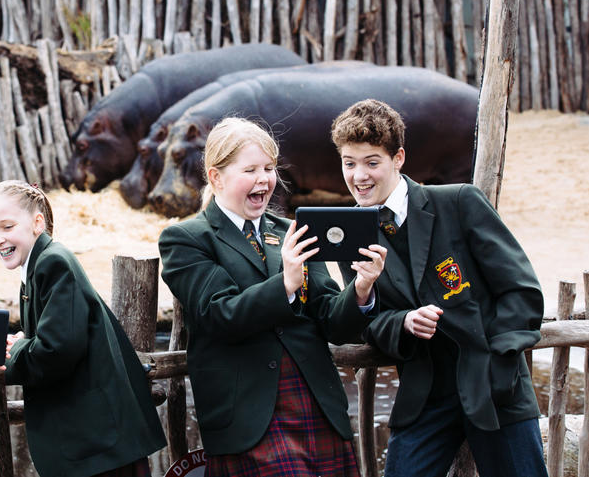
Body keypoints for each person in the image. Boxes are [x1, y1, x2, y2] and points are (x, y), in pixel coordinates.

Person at [158, 117, 387, 476]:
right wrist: (286, 283)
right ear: (216, 177)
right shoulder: (186, 239)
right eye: (250, 169)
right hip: (248, 418)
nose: (264, 179)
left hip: (315, 405)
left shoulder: (291, 231)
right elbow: (220, 315)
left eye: (269, 168)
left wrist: (360, 290)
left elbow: (331, 321)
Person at [332, 99, 547, 477]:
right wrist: (404, 322)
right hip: (424, 397)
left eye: (371, 162)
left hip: (495, 388)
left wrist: (500, 362)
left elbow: (521, 290)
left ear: (398, 158)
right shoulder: (349, 234)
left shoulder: (459, 202)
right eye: (349, 163)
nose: (358, 176)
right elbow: (370, 324)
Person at [0, 180, 166, 477]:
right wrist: (27, 341)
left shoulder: (52, 263)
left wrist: (17, 350)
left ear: (37, 223)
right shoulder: (37, 265)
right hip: (95, 440)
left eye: (7, 227)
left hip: (98, 440)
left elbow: (57, 350)